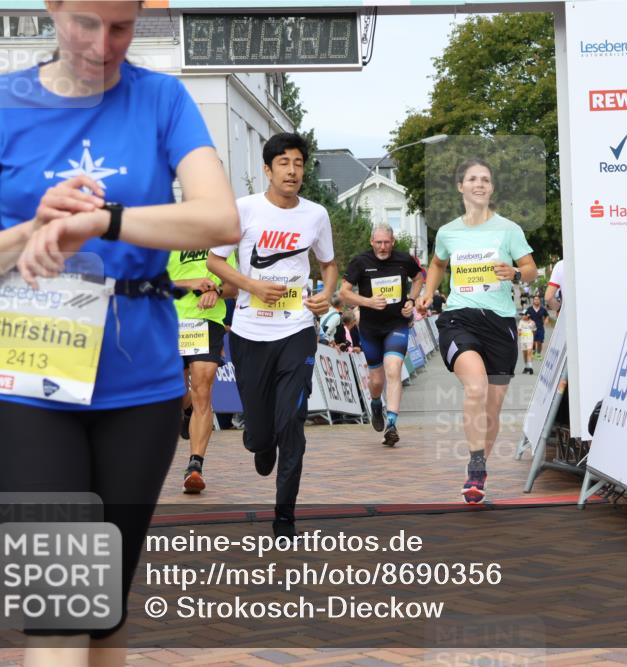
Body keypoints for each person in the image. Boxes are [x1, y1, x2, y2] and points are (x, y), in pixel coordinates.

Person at [0, 1, 239, 664]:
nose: (102, 45)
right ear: (51, 7)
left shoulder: (163, 99)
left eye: (122, 27)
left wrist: (105, 221)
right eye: (84, 22)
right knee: (60, 610)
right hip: (25, 380)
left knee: (104, 608)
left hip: (139, 382)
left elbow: (219, 218)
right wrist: (30, 232)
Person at [207, 132, 337, 539]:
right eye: (284, 163)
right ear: (268, 169)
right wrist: (252, 285)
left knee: (292, 423)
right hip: (248, 332)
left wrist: (327, 295)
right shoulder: (243, 209)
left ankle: (284, 517)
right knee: (261, 434)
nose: (292, 171)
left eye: (298, 163)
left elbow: (329, 265)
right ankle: (259, 443)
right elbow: (214, 260)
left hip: (296, 330)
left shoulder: (316, 215)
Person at [417, 158, 537, 504]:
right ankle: (475, 465)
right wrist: (427, 294)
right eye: (473, 179)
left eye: (485, 179)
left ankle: (480, 470)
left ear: (491, 188)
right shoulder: (448, 232)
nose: (480, 184)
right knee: (476, 387)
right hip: (459, 319)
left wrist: (514, 272)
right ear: (461, 187)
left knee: (493, 408)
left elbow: (530, 270)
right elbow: (438, 264)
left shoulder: (508, 230)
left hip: (499, 323)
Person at [340, 223, 422, 446]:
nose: (383, 247)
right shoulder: (360, 262)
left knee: (394, 369)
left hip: (397, 324)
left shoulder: (404, 260)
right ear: (371, 242)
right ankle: (376, 403)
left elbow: (419, 278)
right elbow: (344, 293)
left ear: (393, 242)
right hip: (370, 329)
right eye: (379, 243)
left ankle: (392, 423)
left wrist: (411, 301)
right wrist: (367, 302)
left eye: (387, 242)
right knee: (377, 380)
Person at [167, 249, 238, 493]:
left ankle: (195, 466)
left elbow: (234, 286)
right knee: (174, 391)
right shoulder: (169, 241)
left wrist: (216, 291)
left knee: (202, 391)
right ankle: (186, 409)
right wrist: (190, 283)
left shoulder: (221, 246)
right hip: (171, 321)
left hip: (207, 323)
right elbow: (152, 281)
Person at [525, 295, 550, 359]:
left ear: (539, 301)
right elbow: (525, 316)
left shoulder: (542, 309)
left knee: (540, 342)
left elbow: (547, 315)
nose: (536, 301)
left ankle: (538, 354)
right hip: (531, 329)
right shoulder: (529, 309)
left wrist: (546, 319)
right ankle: (533, 352)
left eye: (537, 299)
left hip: (540, 327)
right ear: (533, 301)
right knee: (532, 341)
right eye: (535, 299)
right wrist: (528, 319)